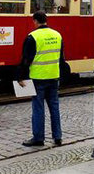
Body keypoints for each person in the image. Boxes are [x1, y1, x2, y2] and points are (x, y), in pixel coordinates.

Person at [18, 11, 63, 147]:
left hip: (38, 78)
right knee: (54, 107)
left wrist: (21, 77)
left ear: (35, 21)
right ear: (46, 20)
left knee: (38, 108)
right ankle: (58, 137)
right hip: (54, 76)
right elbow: (61, 58)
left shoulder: (32, 37)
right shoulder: (57, 35)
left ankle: (38, 138)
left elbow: (26, 60)